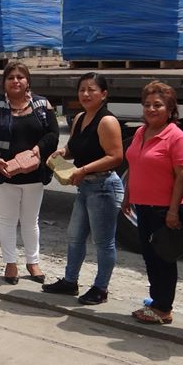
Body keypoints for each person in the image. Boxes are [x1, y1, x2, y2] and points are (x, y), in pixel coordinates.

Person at [43, 72, 124, 305]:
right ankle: (70, 282)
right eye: (82, 90)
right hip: (85, 187)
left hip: (103, 187)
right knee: (75, 237)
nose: (86, 94)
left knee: (103, 242)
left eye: (91, 90)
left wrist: (84, 169)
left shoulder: (107, 121)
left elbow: (116, 156)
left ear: (104, 94)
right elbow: (74, 148)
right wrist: (63, 153)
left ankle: (101, 288)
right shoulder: (80, 118)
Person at [0, 61, 59, 284]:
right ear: (4, 82)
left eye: (20, 77)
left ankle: (33, 262)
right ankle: (10, 263)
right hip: (5, 174)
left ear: (28, 81)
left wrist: (38, 149)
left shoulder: (42, 105)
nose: (15, 81)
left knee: (30, 221)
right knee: (7, 220)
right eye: (10, 77)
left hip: (34, 175)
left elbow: (53, 135)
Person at [122, 81, 183, 324]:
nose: (151, 109)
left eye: (158, 105)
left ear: (170, 109)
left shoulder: (176, 137)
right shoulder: (141, 132)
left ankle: (164, 308)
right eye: (147, 104)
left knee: (163, 258)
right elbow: (134, 165)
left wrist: (173, 210)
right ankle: (156, 301)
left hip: (163, 210)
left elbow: (182, 176)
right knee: (150, 257)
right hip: (142, 206)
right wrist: (127, 195)